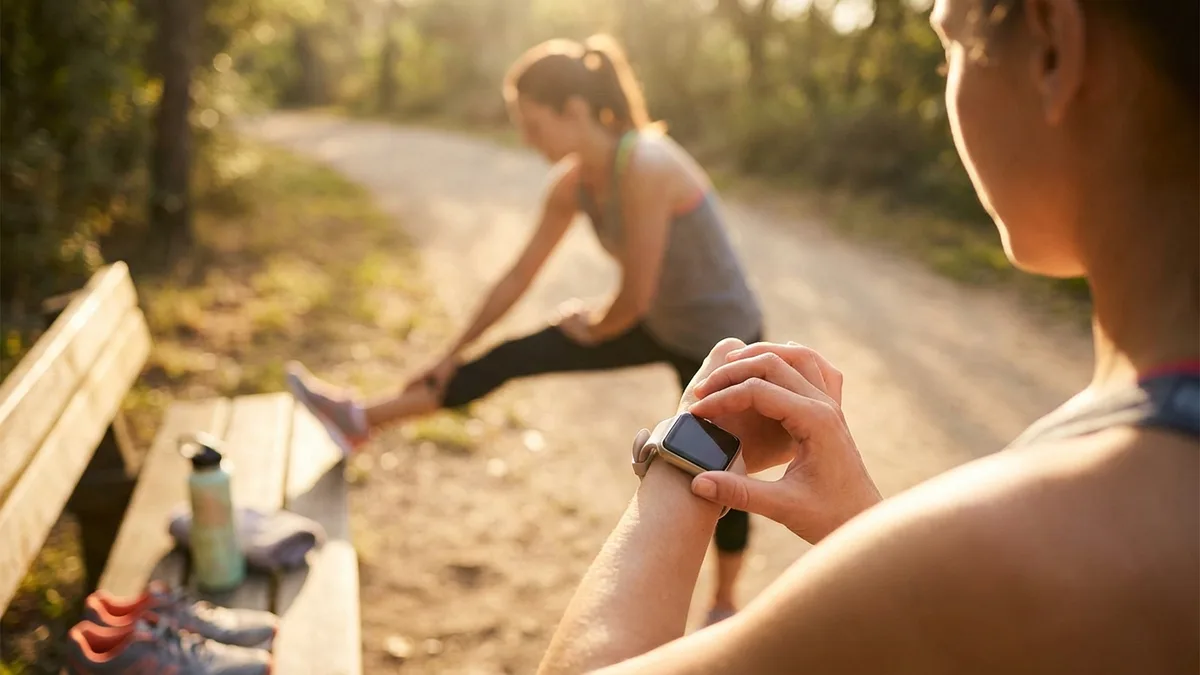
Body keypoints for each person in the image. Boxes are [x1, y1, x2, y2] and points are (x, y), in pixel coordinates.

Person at [537, 0, 1199, 672]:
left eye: (950, 49)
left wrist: (686, 463)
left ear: (1054, 50)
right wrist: (865, 529)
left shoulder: (1050, 533)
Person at [286, 35, 764, 624]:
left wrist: (591, 328)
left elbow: (634, 297)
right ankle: (361, 420)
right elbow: (516, 277)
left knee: (717, 465)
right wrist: (450, 351)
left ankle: (723, 602)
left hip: (720, 338)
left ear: (575, 111)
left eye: (532, 123)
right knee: (511, 356)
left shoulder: (645, 164)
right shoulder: (574, 183)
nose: (526, 139)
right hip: (649, 321)